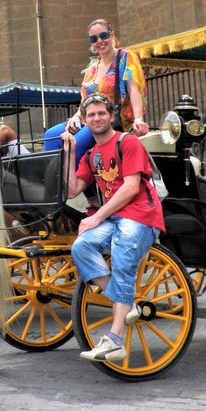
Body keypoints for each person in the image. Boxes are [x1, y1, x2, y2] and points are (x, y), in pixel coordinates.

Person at [61, 94, 164, 362]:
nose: (96, 118)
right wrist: (70, 151)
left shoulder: (126, 142)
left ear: (111, 116)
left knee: (121, 254)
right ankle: (125, 300)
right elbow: (72, 189)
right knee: (81, 245)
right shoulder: (91, 154)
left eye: (101, 113)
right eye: (91, 115)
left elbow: (131, 188)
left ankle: (116, 340)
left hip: (141, 215)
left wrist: (97, 217)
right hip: (115, 218)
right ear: (84, 121)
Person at [43, 19, 149, 161]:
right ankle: (51, 179)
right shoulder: (92, 69)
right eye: (94, 38)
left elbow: (133, 89)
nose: (100, 41)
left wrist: (138, 119)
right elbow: (85, 102)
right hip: (89, 118)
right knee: (50, 136)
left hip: (111, 120)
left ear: (112, 35)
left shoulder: (125, 57)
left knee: (76, 144)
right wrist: (76, 117)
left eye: (103, 35)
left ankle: (69, 181)